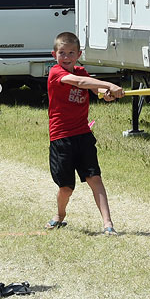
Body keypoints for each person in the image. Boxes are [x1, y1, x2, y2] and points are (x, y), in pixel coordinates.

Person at [46, 32, 125, 235]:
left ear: (79, 53)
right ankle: (60, 215)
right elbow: (80, 84)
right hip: (61, 138)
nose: (66, 57)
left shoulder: (81, 71)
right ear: (54, 54)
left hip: (83, 134)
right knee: (66, 187)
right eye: (62, 53)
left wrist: (107, 94)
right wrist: (109, 85)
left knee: (94, 178)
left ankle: (108, 224)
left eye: (71, 53)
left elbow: (93, 90)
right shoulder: (56, 73)